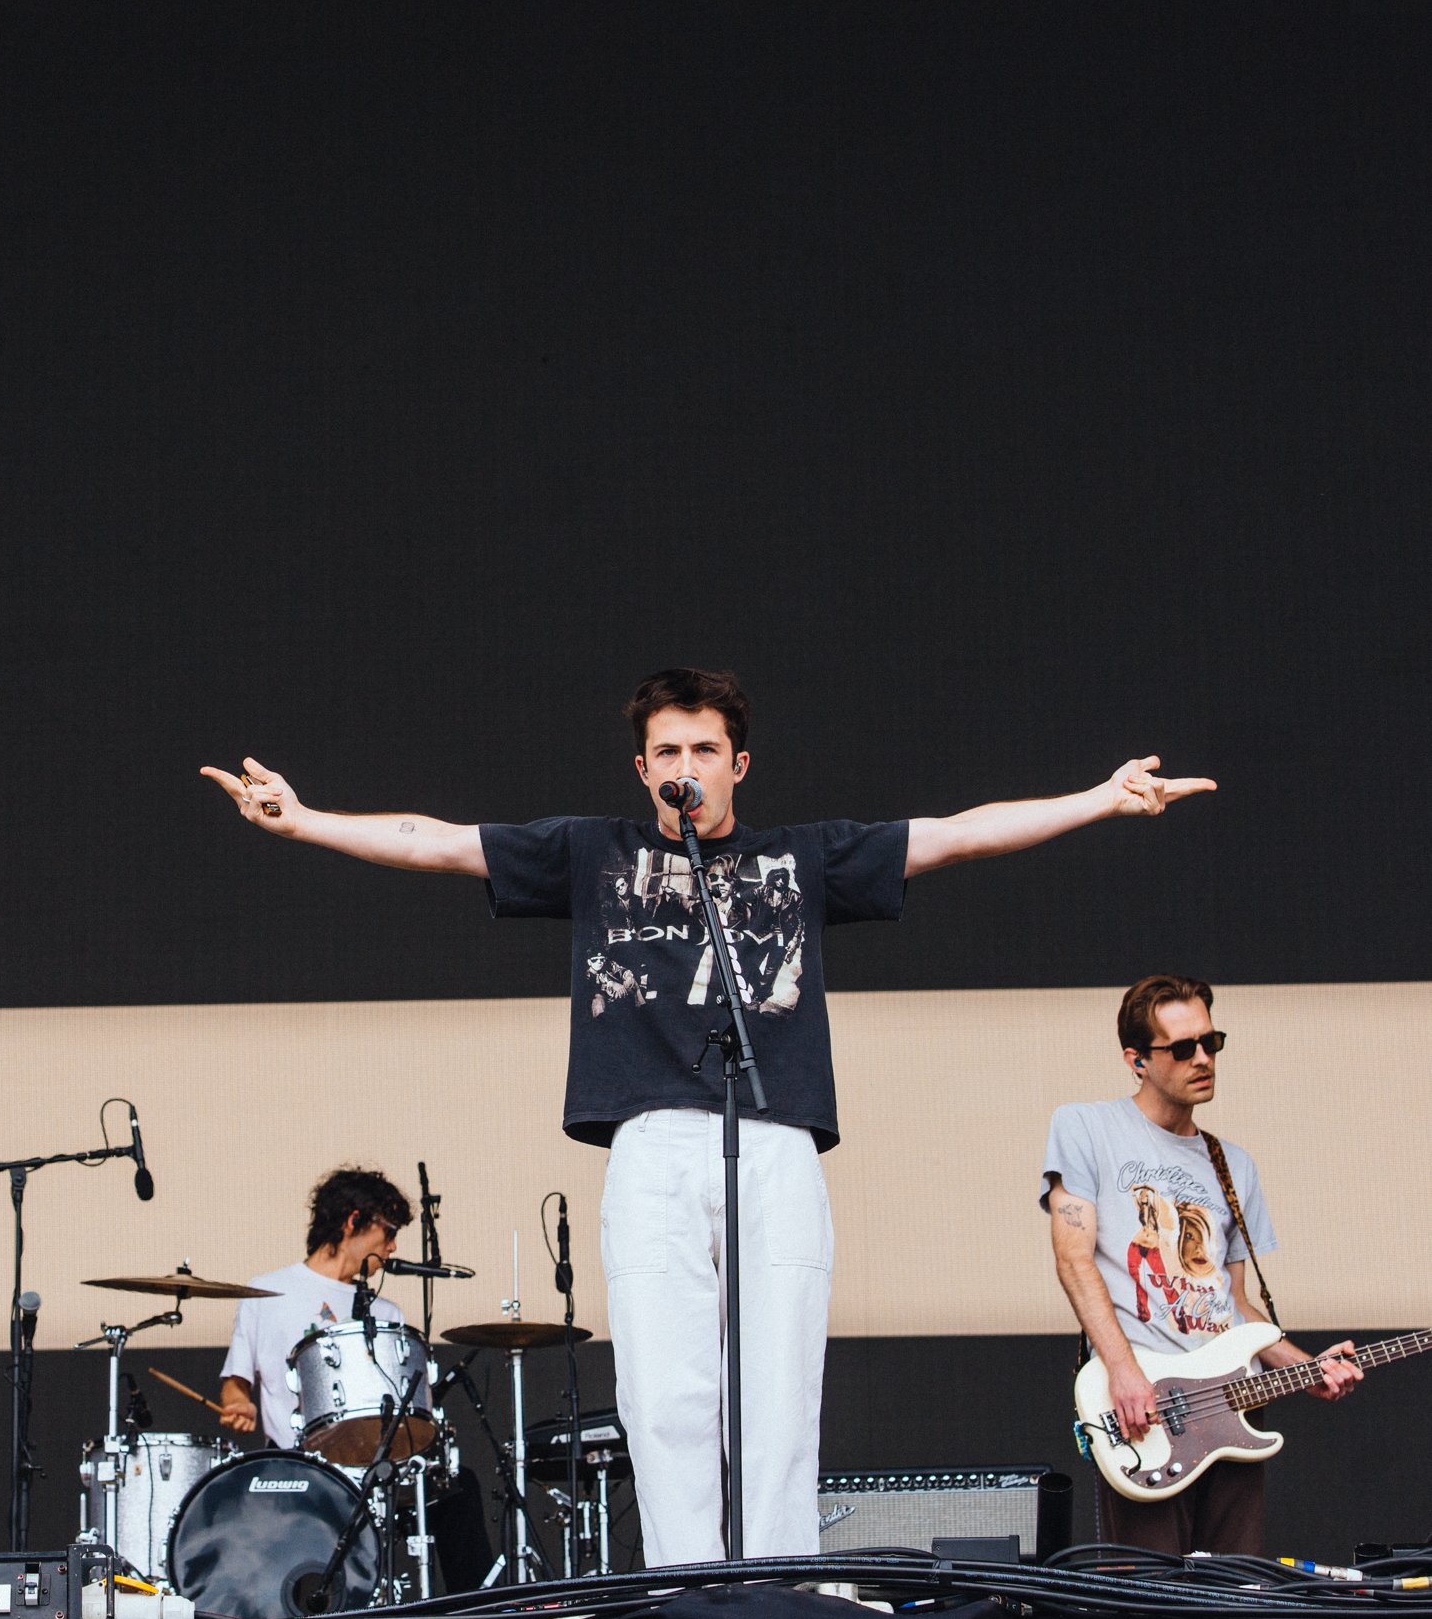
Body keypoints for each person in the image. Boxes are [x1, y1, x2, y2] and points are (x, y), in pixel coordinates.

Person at [199, 666, 1214, 1565]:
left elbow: (954, 836)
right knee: (665, 1388)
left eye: (704, 750)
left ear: (738, 765)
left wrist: (1100, 799)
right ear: (643, 769)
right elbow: (441, 844)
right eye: (667, 752)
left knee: (779, 1388)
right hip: (649, 1141)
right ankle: (688, 1584)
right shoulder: (591, 852)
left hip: (774, 1136)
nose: (684, 766)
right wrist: (307, 819)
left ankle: (775, 1581)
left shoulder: (802, 858)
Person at [1041, 975, 1361, 1555]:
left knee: (1236, 1587)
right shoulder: (1085, 1127)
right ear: (1137, 1060)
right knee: (1150, 1591)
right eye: (1183, 1047)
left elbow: (1236, 1305)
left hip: (1233, 1405)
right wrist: (1124, 1373)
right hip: (1145, 1405)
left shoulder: (1234, 1166)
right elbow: (1073, 1259)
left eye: (1211, 1042)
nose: (1203, 1058)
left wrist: (1308, 1367)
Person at [218, 1168, 496, 1589]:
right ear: (353, 1221)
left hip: (374, 1473)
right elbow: (234, 1383)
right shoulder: (267, 1293)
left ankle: (478, 1616)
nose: (394, 1246)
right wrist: (238, 1402)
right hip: (297, 1469)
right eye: (388, 1231)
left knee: (458, 1486)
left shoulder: (386, 1312)